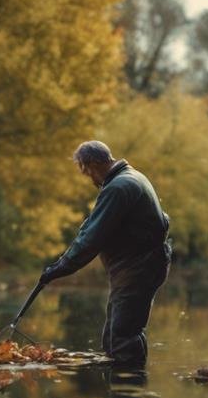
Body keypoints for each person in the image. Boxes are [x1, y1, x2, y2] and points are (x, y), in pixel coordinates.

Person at [40, 140, 171, 367]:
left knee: (122, 336)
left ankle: (130, 393)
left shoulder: (118, 188)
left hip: (138, 269)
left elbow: (91, 239)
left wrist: (59, 268)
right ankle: (122, 395)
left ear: (94, 163)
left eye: (87, 171)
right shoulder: (132, 178)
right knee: (115, 334)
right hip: (139, 268)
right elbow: (95, 227)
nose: (90, 178)